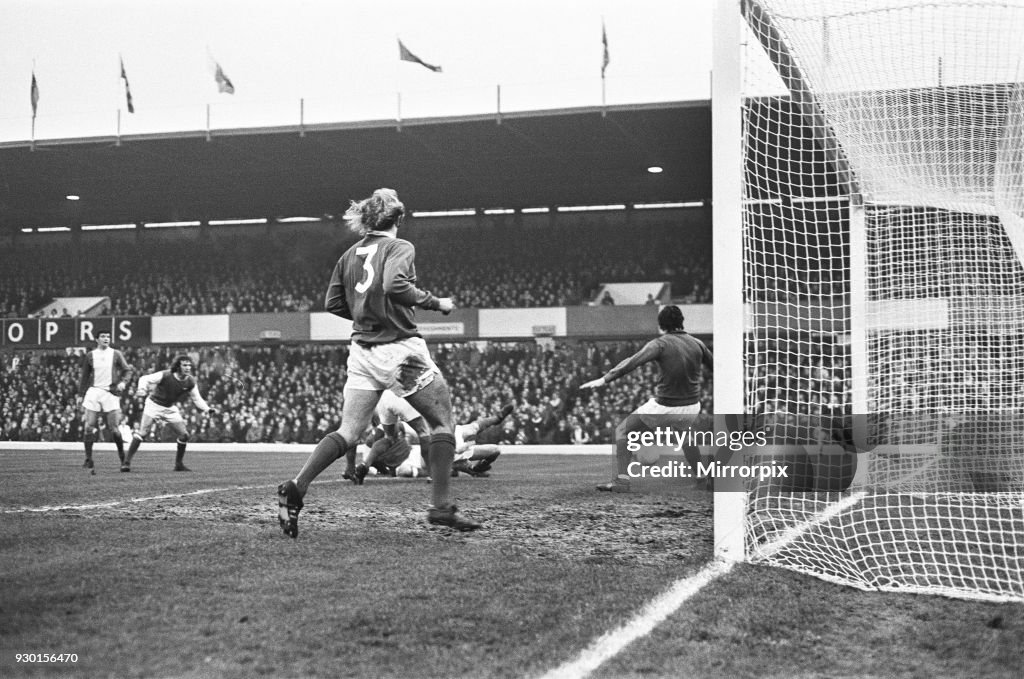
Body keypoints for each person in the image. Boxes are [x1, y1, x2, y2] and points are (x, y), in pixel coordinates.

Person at [276, 187, 479, 537]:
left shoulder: (349, 254)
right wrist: (436, 303)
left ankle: (297, 487)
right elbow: (395, 285)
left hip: (362, 350)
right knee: (442, 423)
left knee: (349, 432)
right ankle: (441, 508)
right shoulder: (400, 247)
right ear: (399, 217)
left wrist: (364, 312)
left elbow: (333, 303)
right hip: (399, 349)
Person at [580, 305, 713, 492]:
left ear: (661, 325)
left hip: (665, 406)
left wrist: (604, 379)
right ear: (681, 322)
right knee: (684, 436)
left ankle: (622, 482)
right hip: (692, 406)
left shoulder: (660, 343)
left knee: (622, 431)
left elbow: (632, 362)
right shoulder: (698, 343)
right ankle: (702, 479)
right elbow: (716, 367)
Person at [353, 390, 513, 482]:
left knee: (475, 432)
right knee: (408, 469)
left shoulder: (395, 428)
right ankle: (465, 469)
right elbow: (374, 461)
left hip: (438, 441)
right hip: (436, 451)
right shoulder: (375, 440)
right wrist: (375, 469)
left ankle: (496, 420)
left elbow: (416, 432)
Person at [123, 354, 215, 472]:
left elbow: (197, 399)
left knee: (184, 435)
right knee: (143, 433)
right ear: (178, 366)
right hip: (154, 405)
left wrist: (207, 409)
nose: (188, 368)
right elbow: (144, 378)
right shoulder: (166, 375)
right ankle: (126, 462)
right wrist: (141, 389)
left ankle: (178, 464)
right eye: (184, 365)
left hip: (169, 408)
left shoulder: (190, 381)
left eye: (189, 365)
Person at [77, 331, 132, 472]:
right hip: (94, 392)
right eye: (103, 336)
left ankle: (123, 459)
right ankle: (88, 459)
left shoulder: (116, 354)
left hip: (110, 392)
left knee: (114, 428)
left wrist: (123, 382)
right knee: (89, 426)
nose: (106, 338)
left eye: (108, 336)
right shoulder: (90, 355)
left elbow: (127, 370)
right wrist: (80, 394)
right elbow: (84, 376)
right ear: (97, 339)